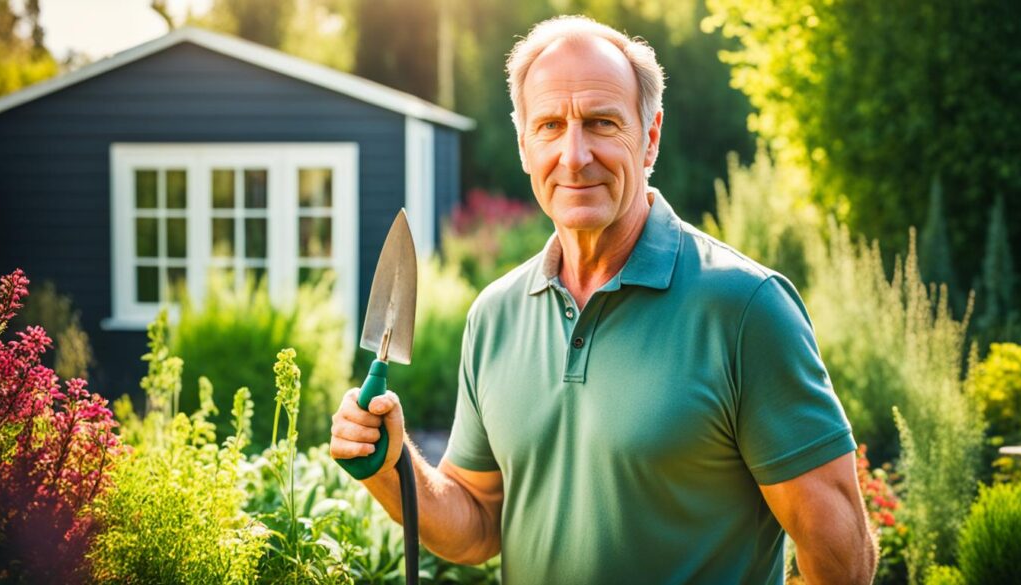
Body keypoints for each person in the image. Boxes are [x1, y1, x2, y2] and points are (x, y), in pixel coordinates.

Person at [331, 15, 877, 585]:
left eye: (600, 122)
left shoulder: (744, 309)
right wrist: (392, 469)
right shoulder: (495, 315)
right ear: (523, 145)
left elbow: (839, 551)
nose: (573, 155)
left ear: (650, 136)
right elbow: (476, 523)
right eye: (549, 125)